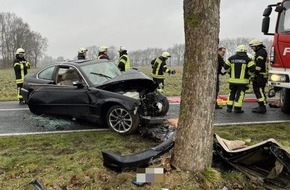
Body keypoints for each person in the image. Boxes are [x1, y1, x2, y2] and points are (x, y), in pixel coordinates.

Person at [224, 45, 256, 113]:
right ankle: (237, 109)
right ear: (245, 52)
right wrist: (249, 74)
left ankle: (229, 108)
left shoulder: (231, 58)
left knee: (232, 93)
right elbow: (253, 68)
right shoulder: (248, 59)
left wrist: (230, 72)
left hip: (232, 81)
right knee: (240, 94)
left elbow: (226, 67)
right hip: (243, 82)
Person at [249, 39, 268, 113]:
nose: (252, 49)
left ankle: (262, 107)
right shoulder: (260, 52)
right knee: (260, 90)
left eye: (253, 47)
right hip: (261, 75)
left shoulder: (261, 53)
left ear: (257, 46)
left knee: (258, 90)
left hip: (260, 75)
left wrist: (254, 74)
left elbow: (259, 65)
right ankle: (262, 105)